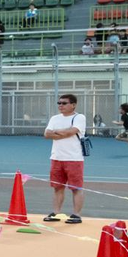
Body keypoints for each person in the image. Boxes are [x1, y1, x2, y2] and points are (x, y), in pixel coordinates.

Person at [44, 93, 87, 224]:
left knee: (76, 187)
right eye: (59, 103)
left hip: (74, 158)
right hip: (56, 157)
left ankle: (76, 214)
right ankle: (56, 212)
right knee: (57, 187)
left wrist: (56, 132)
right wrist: (64, 132)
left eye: (64, 103)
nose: (61, 105)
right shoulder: (54, 118)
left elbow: (71, 131)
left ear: (73, 105)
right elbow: (47, 134)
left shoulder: (79, 117)